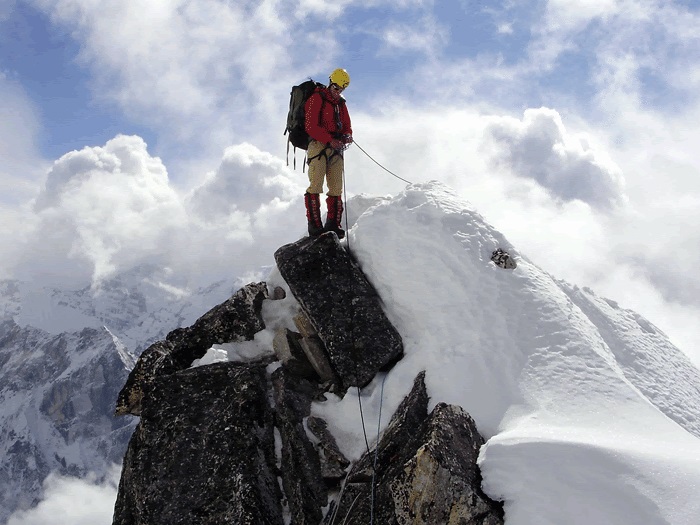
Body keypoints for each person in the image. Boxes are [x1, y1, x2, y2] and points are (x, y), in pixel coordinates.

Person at [303, 68, 353, 239]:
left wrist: (347, 136)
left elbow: (347, 125)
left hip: (336, 148)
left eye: (342, 89)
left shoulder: (341, 104)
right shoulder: (317, 98)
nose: (338, 91)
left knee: (336, 187)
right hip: (318, 146)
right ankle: (315, 226)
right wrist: (329, 139)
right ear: (330, 83)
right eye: (336, 88)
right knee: (316, 184)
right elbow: (310, 126)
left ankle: (333, 224)